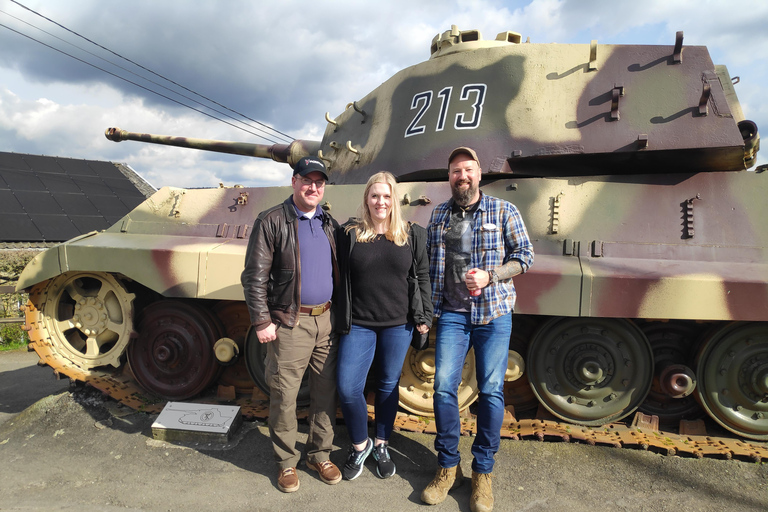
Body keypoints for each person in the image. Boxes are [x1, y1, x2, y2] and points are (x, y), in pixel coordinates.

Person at [421, 147, 534, 512]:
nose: (462, 176)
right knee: (442, 389)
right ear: (450, 176)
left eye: (468, 169)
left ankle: (483, 472)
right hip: (452, 315)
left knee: (490, 392)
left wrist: (492, 275)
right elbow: (426, 265)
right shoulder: (439, 214)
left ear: (479, 173)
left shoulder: (504, 210)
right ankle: (447, 466)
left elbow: (525, 256)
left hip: (493, 314)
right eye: (456, 170)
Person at [241, 156, 341, 493]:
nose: (313, 187)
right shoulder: (272, 221)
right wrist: (261, 320)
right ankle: (286, 462)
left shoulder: (328, 222)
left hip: (325, 320)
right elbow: (254, 276)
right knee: (285, 394)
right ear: (294, 182)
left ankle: (320, 453)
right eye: (307, 180)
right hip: (290, 321)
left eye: (319, 182)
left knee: (325, 392)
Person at [335, 171, 432, 481]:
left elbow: (424, 276)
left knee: (388, 386)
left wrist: (425, 316)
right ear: (367, 198)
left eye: (387, 196)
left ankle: (382, 444)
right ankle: (360, 444)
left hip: (398, 325)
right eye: (375, 195)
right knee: (349, 387)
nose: (381, 201)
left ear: (394, 200)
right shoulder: (350, 232)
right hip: (360, 323)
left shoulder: (411, 234)